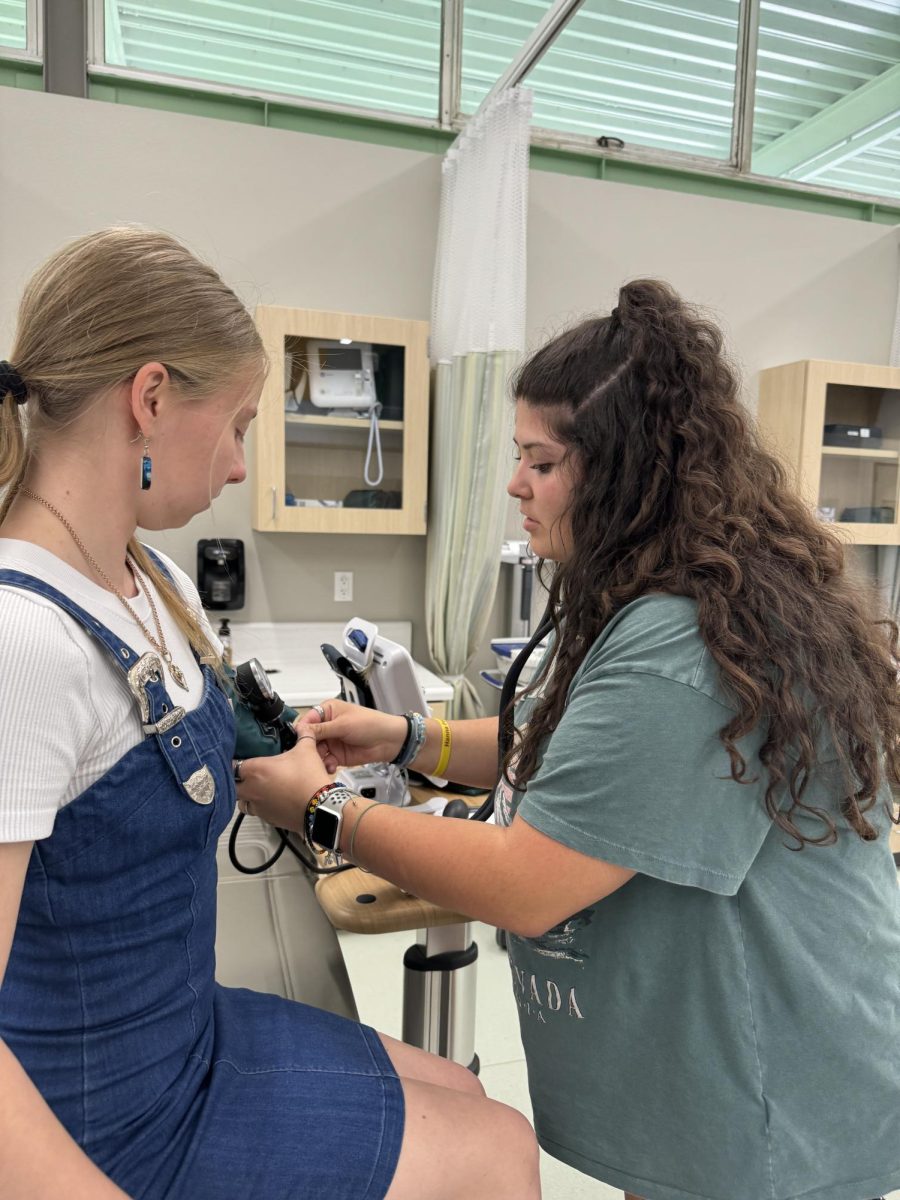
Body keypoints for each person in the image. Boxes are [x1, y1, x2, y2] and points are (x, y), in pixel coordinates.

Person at [238, 279, 900, 1200]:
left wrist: (321, 811)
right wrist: (403, 737)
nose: (515, 483)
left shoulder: (685, 638)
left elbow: (525, 883)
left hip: (769, 1081)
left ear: (623, 471)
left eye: (539, 462)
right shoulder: (646, 596)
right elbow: (562, 740)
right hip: (704, 1059)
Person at [0, 226, 542, 1200]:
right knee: (497, 1159)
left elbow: (176, 761)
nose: (244, 466)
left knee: (480, 1102)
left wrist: (332, 758)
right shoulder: (21, 640)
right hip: (102, 1119)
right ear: (152, 398)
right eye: (242, 423)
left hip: (187, 1034)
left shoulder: (151, 579)